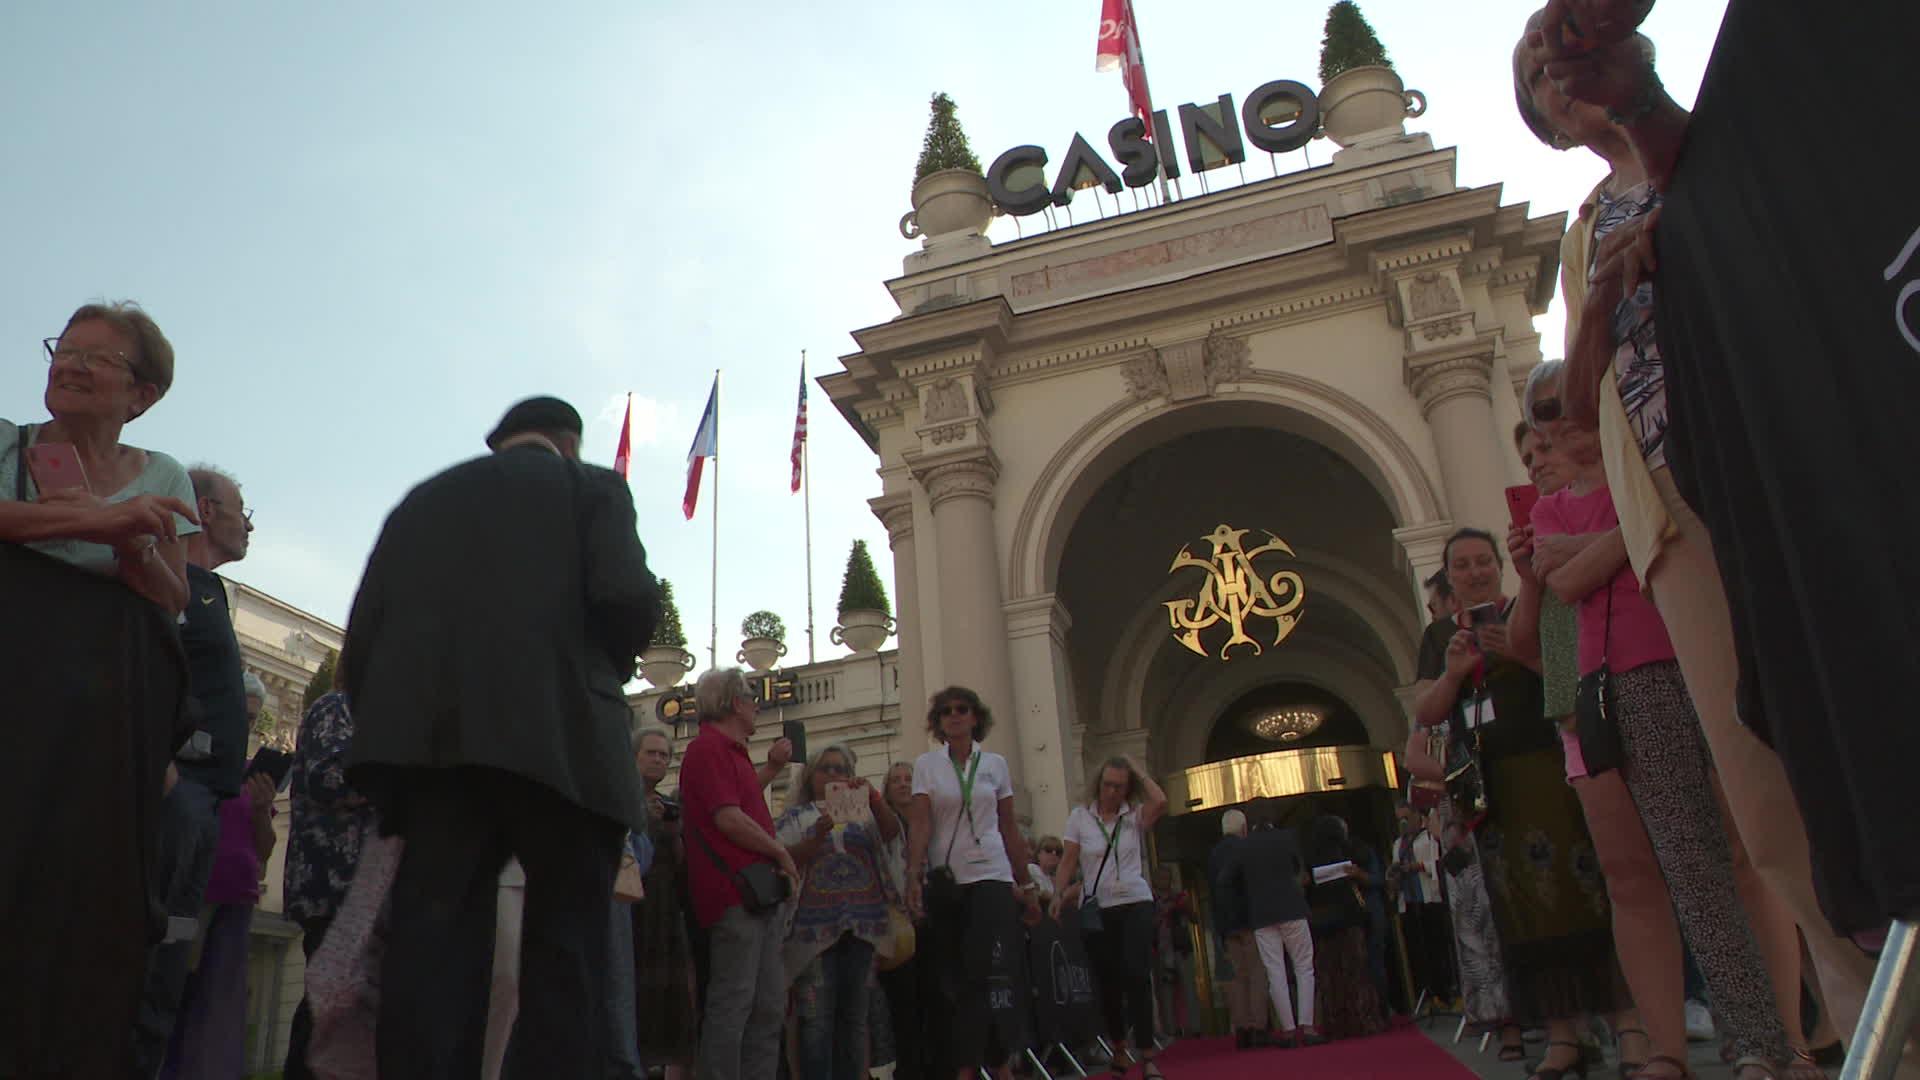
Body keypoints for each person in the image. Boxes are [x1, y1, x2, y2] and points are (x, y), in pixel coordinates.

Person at [1530, 0, 1909, 1062]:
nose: (1559, 81)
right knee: (1759, 810)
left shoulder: (1708, 144)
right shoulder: (1580, 231)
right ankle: (1852, 1031)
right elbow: (1579, 390)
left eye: (1558, 60)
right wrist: (1604, 294)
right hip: (1670, 521)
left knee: (1850, 740)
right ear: (1551, 127)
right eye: (1540, 86)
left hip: (1784, 466)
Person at [343, 396, 661, 1079]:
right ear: (568, 443)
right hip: (567, 744)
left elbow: (366, 628)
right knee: (566, 952)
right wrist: (601, 667)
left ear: (502, 443)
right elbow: (627, 596)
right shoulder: (595, 487)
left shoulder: (423, 501)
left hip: (436, 751)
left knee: (431, 944)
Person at [1514, 357, 1804, 1079]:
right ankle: (1751, 1045)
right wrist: (1650, 522)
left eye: (1561, 403)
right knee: (1690, 868)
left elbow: (1682, 530)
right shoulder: (1559, 507)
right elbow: (1571, 580)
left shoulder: (1650, 459)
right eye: (1543, 410)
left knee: (1758, 850)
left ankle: (1793, 1039)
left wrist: (1640, 520)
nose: (1551, 423)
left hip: (1707, 651)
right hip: (1629, 684)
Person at [1412, 527, 1624, 1077]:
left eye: (1484, 561)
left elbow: (1570, 675)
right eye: (1463, 565)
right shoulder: (1439, 636)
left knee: (1588, 893)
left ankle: (1629, 1027)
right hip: (1490, 787)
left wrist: (1521, 653)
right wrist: (1455, 673)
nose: (1476, 571)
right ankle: (1561, 1034)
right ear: (1449, 575)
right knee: (1523, 911)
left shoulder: (1530, 608)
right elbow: (1428, 714)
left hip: (1551, 768)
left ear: (1499, 566)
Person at [134, 462, 258, 1076]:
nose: (249, 526)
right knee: (145, 943)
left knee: (174, 948)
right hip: (178, 794)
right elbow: (139, 665)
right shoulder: (165, 575)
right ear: (206, 511)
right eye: (243, 511)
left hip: (208, 803)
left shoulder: (211, 592)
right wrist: (162, 766)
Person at [904, 687, 1042, 1080]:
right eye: (946, 711)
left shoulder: (995, 764)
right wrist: (914, 874)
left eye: (962, 709)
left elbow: (1009, 827)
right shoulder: (927, 765)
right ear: (938, 722)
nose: (954, 716)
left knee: (982, 970)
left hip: (992, 876)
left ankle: (980, 1066)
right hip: (949, 879)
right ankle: (986, 1061)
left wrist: (1027, 885)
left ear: (976, 717)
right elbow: (920, 823)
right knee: (957, 977)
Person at [681, 667, 800, 1080]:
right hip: (734, 896)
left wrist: (770, 768)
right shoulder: (707, 749)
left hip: (756, 896)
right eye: (751, 696)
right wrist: (779, 851)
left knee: (767, 1006)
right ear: (735, 703)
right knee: (733, 1003)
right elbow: (728, 817)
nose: (756, 704)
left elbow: (739, 801)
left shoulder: (732, 753)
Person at [776, 743, 901, 1080]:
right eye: (826, 769)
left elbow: (891, 833)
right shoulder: (794, 818)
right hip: (812, 934)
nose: (834, 775)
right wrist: (815, 838)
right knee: (815, 1020)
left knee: (855, 1019)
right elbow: (783, 861)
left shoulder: (865, 815)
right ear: (810, 776)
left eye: (841, 770)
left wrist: (874, 798)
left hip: (862, 926)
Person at [162, 747, 280, 1080]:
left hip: (237, 898)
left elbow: (265, 848)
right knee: (181, 979)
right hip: (194, 896)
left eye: (255, 719)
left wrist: (260, 809)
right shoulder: (195, 766)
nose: (248, 724)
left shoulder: (250, 776)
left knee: (221, 992)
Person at [1050, 756, 1169, 1078]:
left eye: (1119, 786)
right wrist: (1059, 894)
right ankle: (1119, 1048)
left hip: (1136, 901)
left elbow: (1160, 800)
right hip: (1099, 908)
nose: (1111, 792)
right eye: (1107, 785)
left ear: (1127, 788)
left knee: (1136, 974)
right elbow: (1068, 861)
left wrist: (1139, 771)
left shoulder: (1134, 817)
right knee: (1108, 983)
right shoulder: (1079, 818)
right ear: (1097, 784)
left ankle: (1146, 1054)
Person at [281, 646, 367, 1080]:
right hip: (331, 888)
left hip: (358, 893)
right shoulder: (337, 708)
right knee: (323, 1008)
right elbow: (327, 778)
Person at [1225, 799, 1318, 1048]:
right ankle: (1307, 1026)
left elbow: (1228, 878)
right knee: (1303, 967)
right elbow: (1300, 869)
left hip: (1262, 915)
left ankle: (1287, 1031)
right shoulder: (1288, 837)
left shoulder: (1244, 847)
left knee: (1274, 971)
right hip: (1292, 908)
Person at [633, 727, 698, 1080]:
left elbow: (680, 863)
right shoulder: (621, 797)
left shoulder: (666, 805)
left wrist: (673, 832)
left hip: (664, 905)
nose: (658, 759)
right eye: (651, 753)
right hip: (630, 908)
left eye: (664, 755)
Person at [1304, 815, 1388, 1042]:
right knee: (1356, 971)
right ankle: (1363, 1018)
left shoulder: (1310, 858)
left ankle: (1336, 1022)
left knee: (1330, 975)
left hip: (1323, 924)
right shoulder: (1352, 851)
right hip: (1350, 921)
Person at [877, 760, 928, 1080]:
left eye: (909, 778)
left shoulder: (931, 821)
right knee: (903, 1003)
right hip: (898, 921)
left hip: (931, 916)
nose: (903, 784)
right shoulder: (883, 824)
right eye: (896, 779)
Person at [1208, 810, 1267, 1050]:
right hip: (1249, 920)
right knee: (1256, 974)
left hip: (1226, 922)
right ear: (1243, 828)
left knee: (1236, 977)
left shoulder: (1213, 854)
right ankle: (1258, 1027)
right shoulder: (1247, 849)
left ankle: (1241, 1027)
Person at [1393, 807, 1453, 1013]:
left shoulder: (1428, 838)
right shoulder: (1398, 844)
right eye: (1399, 819)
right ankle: (1426, 994)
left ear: (1418, 817)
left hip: (1429, 898)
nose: (1403, 823)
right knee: (1418, 950)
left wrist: (1420, 866)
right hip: (1409, 901)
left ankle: (1444, 993)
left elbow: (1439, 863)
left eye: (1406, 818)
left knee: (1437, 947)